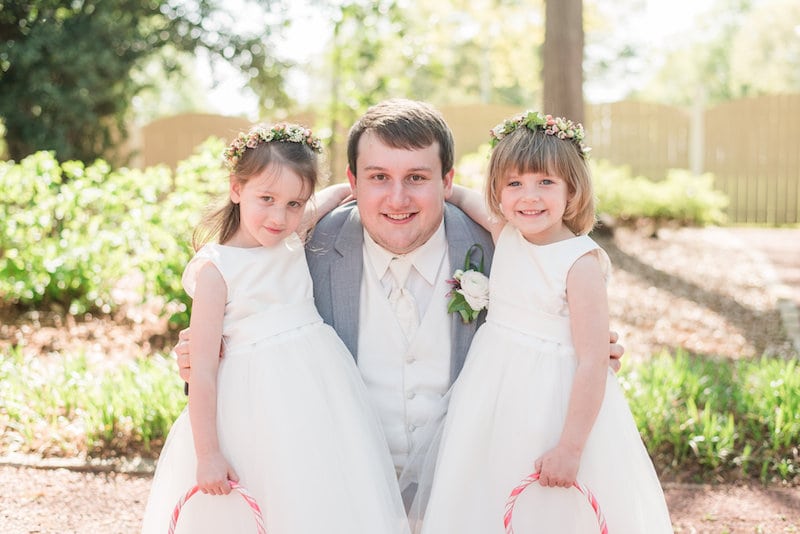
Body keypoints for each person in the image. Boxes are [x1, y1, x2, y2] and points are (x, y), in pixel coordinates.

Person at [175, 99, 624, 481]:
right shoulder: (303, 247)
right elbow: (247, 315)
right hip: (339, 489)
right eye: (378, 178)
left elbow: (555, 326)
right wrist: (210, 351)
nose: (397, 199)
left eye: (416, 178)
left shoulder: (503, 247)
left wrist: (575, 348)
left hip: (471, 488)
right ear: (351, 183)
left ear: (447, 183)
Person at [141, 123, 410, 534]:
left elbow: (325, 198)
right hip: (253, 404)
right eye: (265, 199)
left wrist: (349, 190)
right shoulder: (217, 270)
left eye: (293, 204)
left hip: (319, 393)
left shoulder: (291, 237)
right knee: (266, 491)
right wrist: (208, 453)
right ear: (236, 188)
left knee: (317, 490)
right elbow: (203, 373)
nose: (279, 216)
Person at [415, 111, 673, 533]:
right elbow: (458, 196)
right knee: (485, 485)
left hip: (553, 401)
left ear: (572, 190)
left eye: (545, 183)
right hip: (492, 392)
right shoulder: (505, 231)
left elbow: (593, 361)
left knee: (548, 506)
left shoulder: (578, 262)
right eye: (514, 184)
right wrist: (341, 197)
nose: (528, 196)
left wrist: (570, 447)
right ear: (498, 191)